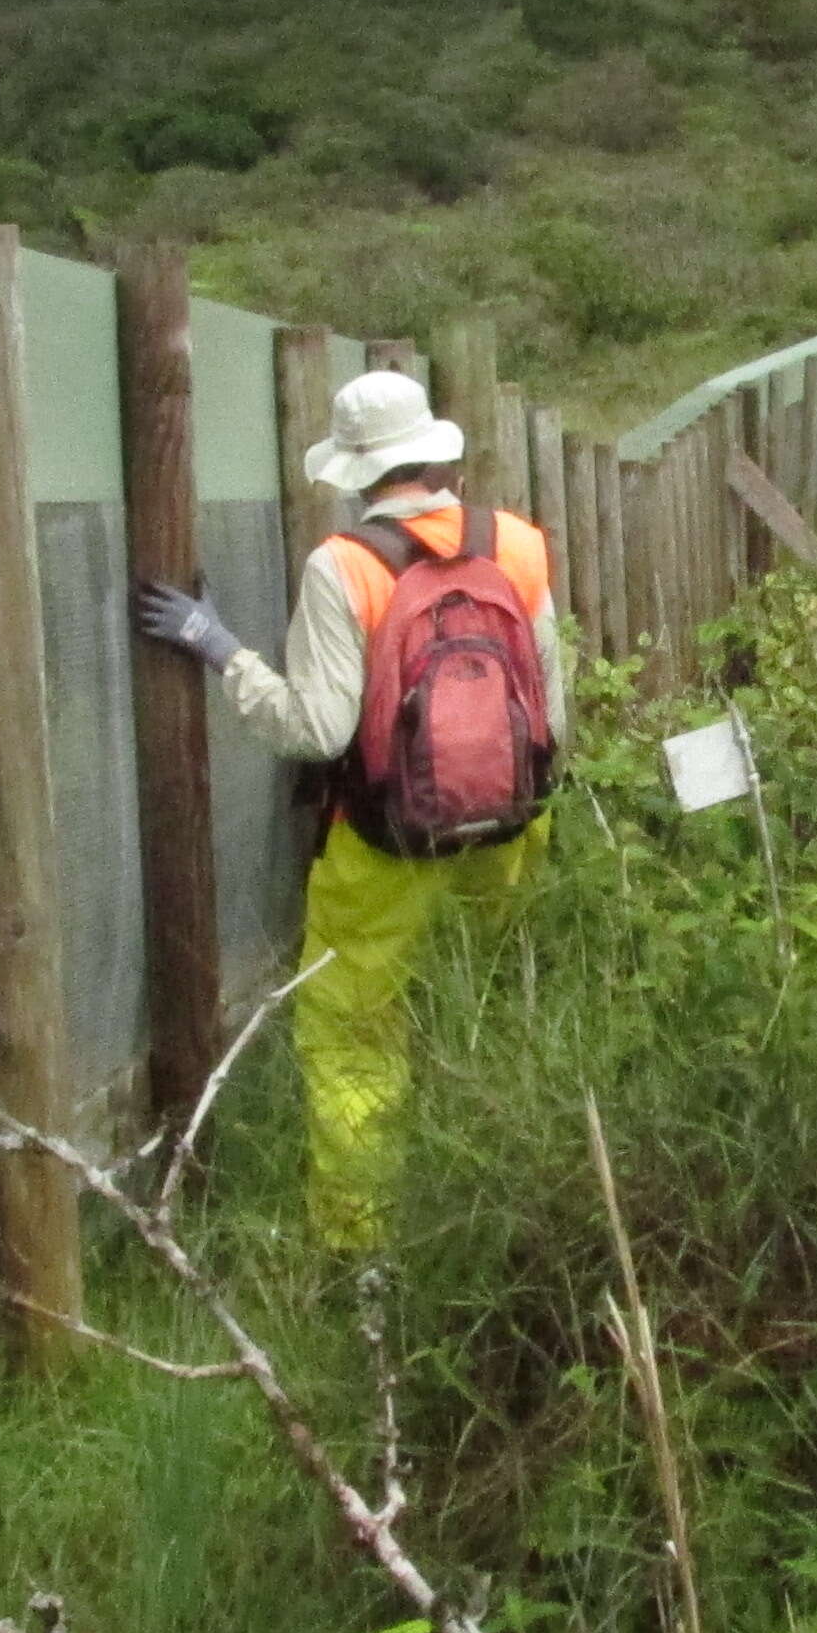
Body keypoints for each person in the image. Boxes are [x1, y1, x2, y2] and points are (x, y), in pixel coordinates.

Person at [133, 368, 567, 1242]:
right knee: (489, 1005)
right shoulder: (518, 543)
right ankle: (508, 1201)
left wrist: (219, 649)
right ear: (431, 453)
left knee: (354, 1045)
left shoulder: (344, 565)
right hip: (514, 830)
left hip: (386, 846)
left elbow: (318, 730)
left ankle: (362, 1252)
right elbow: (553, 713)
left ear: (356, 471)